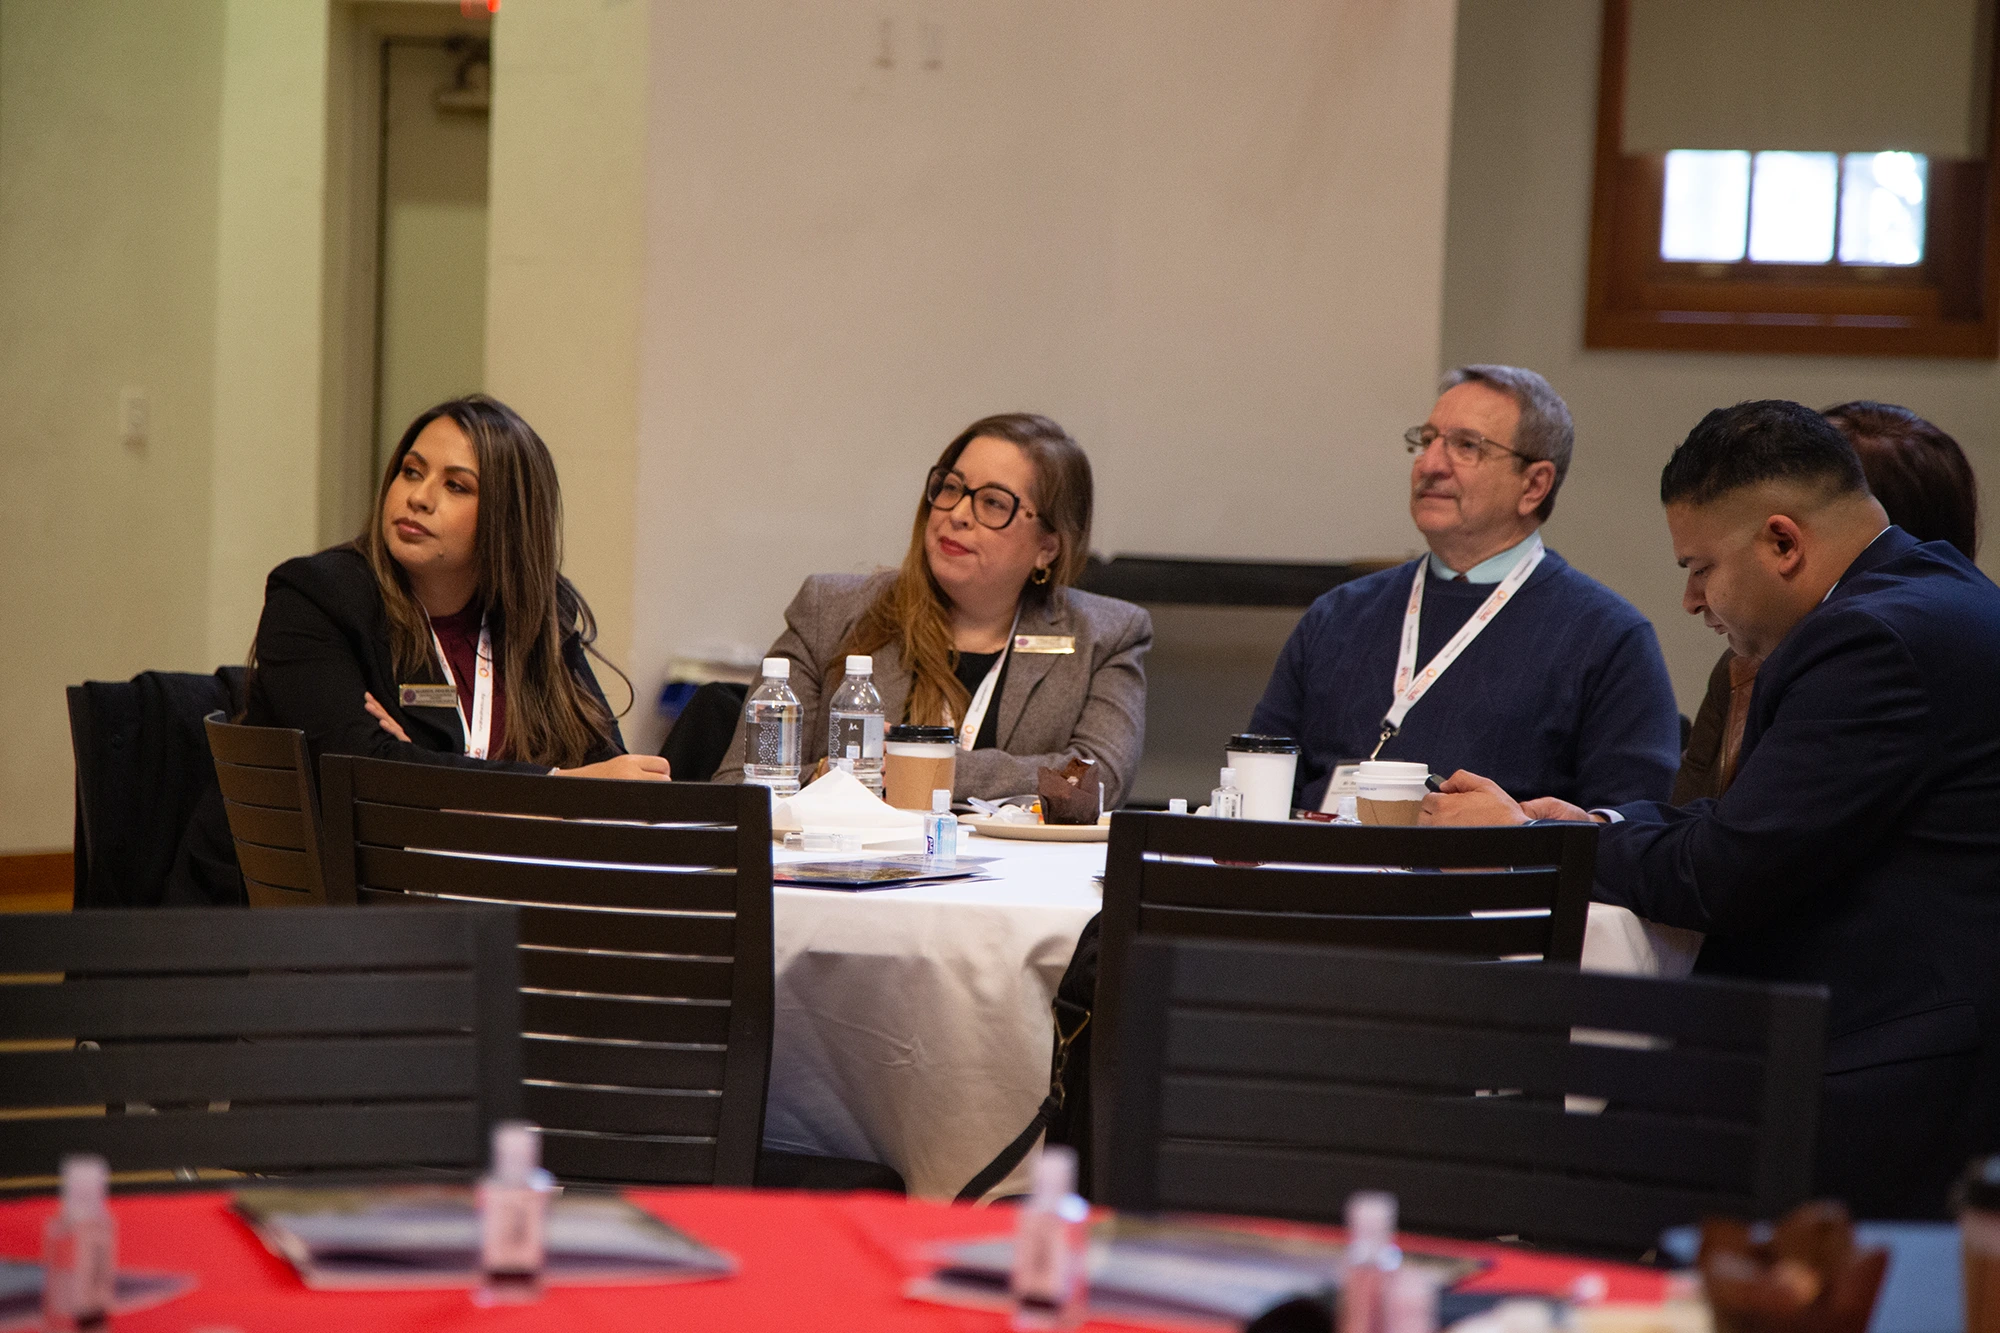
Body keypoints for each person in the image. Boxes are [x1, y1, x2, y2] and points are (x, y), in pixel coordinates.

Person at [1423, 400, 2000, 1218]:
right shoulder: (1924, 590)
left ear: (1782, 542)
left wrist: (1530, 839)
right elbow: (1754, 824)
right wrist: (1594, 826)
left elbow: (1728, 873)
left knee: (1539, 1167)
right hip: (1893, 1044)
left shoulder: (1870, 641)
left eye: (1699, 567)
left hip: (1883, 1077)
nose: (1693, 601)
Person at [1248, 365, 1679, 812]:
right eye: (1428, 439)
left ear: (1533, 485)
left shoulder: (1607, 637)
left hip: (1482, 880)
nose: (1430, 465)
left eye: (1466, 446)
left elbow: (1632, 830)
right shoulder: (1336, 616)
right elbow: (1259, 776)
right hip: (1318, 875)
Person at [713, 412, 1150, 805]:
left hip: (1015, 887)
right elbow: (740, 783)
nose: (958, 513)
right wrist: (833, 776)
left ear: (1048, 548)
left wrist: (924, 766)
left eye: (993, 502)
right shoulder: (829, 610)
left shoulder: (1105, 635)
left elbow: (1098, 781)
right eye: (952, 487)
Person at [245, 394, 666, 780]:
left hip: (489, 861)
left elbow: (610, 774)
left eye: (455, 486)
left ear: (507, 519)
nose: (419, 497)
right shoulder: (318, 597)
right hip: (322, 862)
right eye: (411, 472)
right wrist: (559, 786)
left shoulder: (541, 611)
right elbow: (362, 773)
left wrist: (425, 771)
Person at [1673, 401, 1979, 802]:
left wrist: (1601, 835)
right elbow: (1692, 814)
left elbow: (1744, 849)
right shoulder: (1742, 668)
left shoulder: (1872, 651)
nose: (1692, 602)